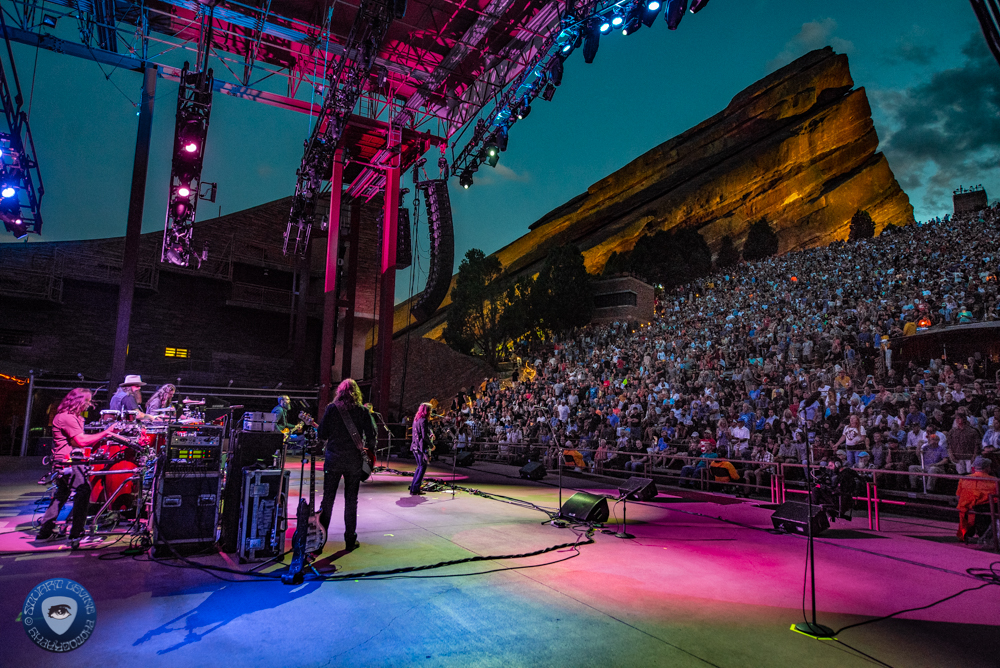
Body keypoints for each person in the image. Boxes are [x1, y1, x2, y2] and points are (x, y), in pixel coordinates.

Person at [37, 389, 116, 546]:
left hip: (67, 460)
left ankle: (45, 531)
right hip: (68, 461)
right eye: (87, 401)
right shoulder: (67, 418)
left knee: (62, 493)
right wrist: (106, 433)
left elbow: (74, 441)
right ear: (78, 401)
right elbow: (80, 441)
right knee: (83, 491)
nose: (89, 405)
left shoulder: (72, 417)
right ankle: (76, 533)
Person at [317, 379, 376, 551]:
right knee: (351, 501)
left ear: (339, 392)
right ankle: (350, 540)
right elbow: (372, 435)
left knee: (328, 499)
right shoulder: (363, 411)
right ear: (356, 393)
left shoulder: (331, 409)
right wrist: (368, 453)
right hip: (353, 461)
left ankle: (320, 540)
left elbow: (322, 433)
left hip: (334, 459)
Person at [956, 457, 997, 542]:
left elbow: (958, 496)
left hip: (966, 509)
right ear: (987, 467)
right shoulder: (994, 481)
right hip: (984, 509)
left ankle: (967, 533)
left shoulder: (964, 479)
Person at [410, 402, 434, 495]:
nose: (431, 412)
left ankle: (413, 488)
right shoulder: (424, 420)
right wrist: (431, 445)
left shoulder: (416, 419)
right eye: (430, 410)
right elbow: (424, 436)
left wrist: (429, 434)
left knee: (420, 466)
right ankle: (415, 488)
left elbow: (420, 433)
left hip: (415, 446)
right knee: (422, 466)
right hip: (420, 447)